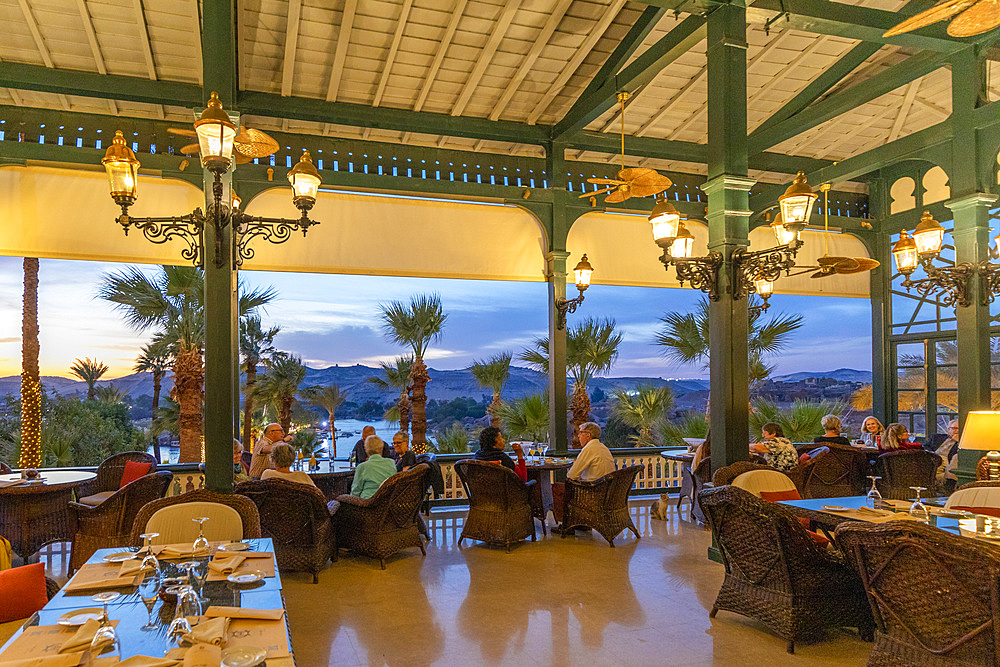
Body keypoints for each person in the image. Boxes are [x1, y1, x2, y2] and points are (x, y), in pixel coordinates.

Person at [931, 420, 960, 491]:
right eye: (954, 428)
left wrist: (957, 442)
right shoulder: (937, 437)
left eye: (959, 429)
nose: (957, 431)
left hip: (946, 461)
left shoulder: (961, 442)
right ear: (948, 429)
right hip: (933, 458)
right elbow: (926, 447)